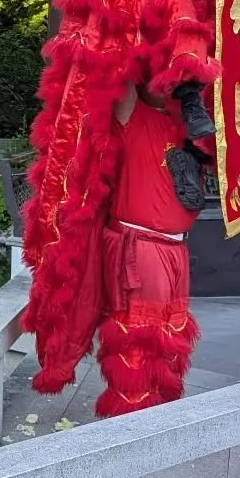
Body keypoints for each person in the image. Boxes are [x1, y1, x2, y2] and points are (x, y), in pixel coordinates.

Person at [92, 85, 203, 416]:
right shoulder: (132, 112)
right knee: (139, 338)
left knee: (172, 333)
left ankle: (161, 415)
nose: (168, 81)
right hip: (142, 246)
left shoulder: (190, 123)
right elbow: (121, 64)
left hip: (176, 248)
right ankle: (129, 424)